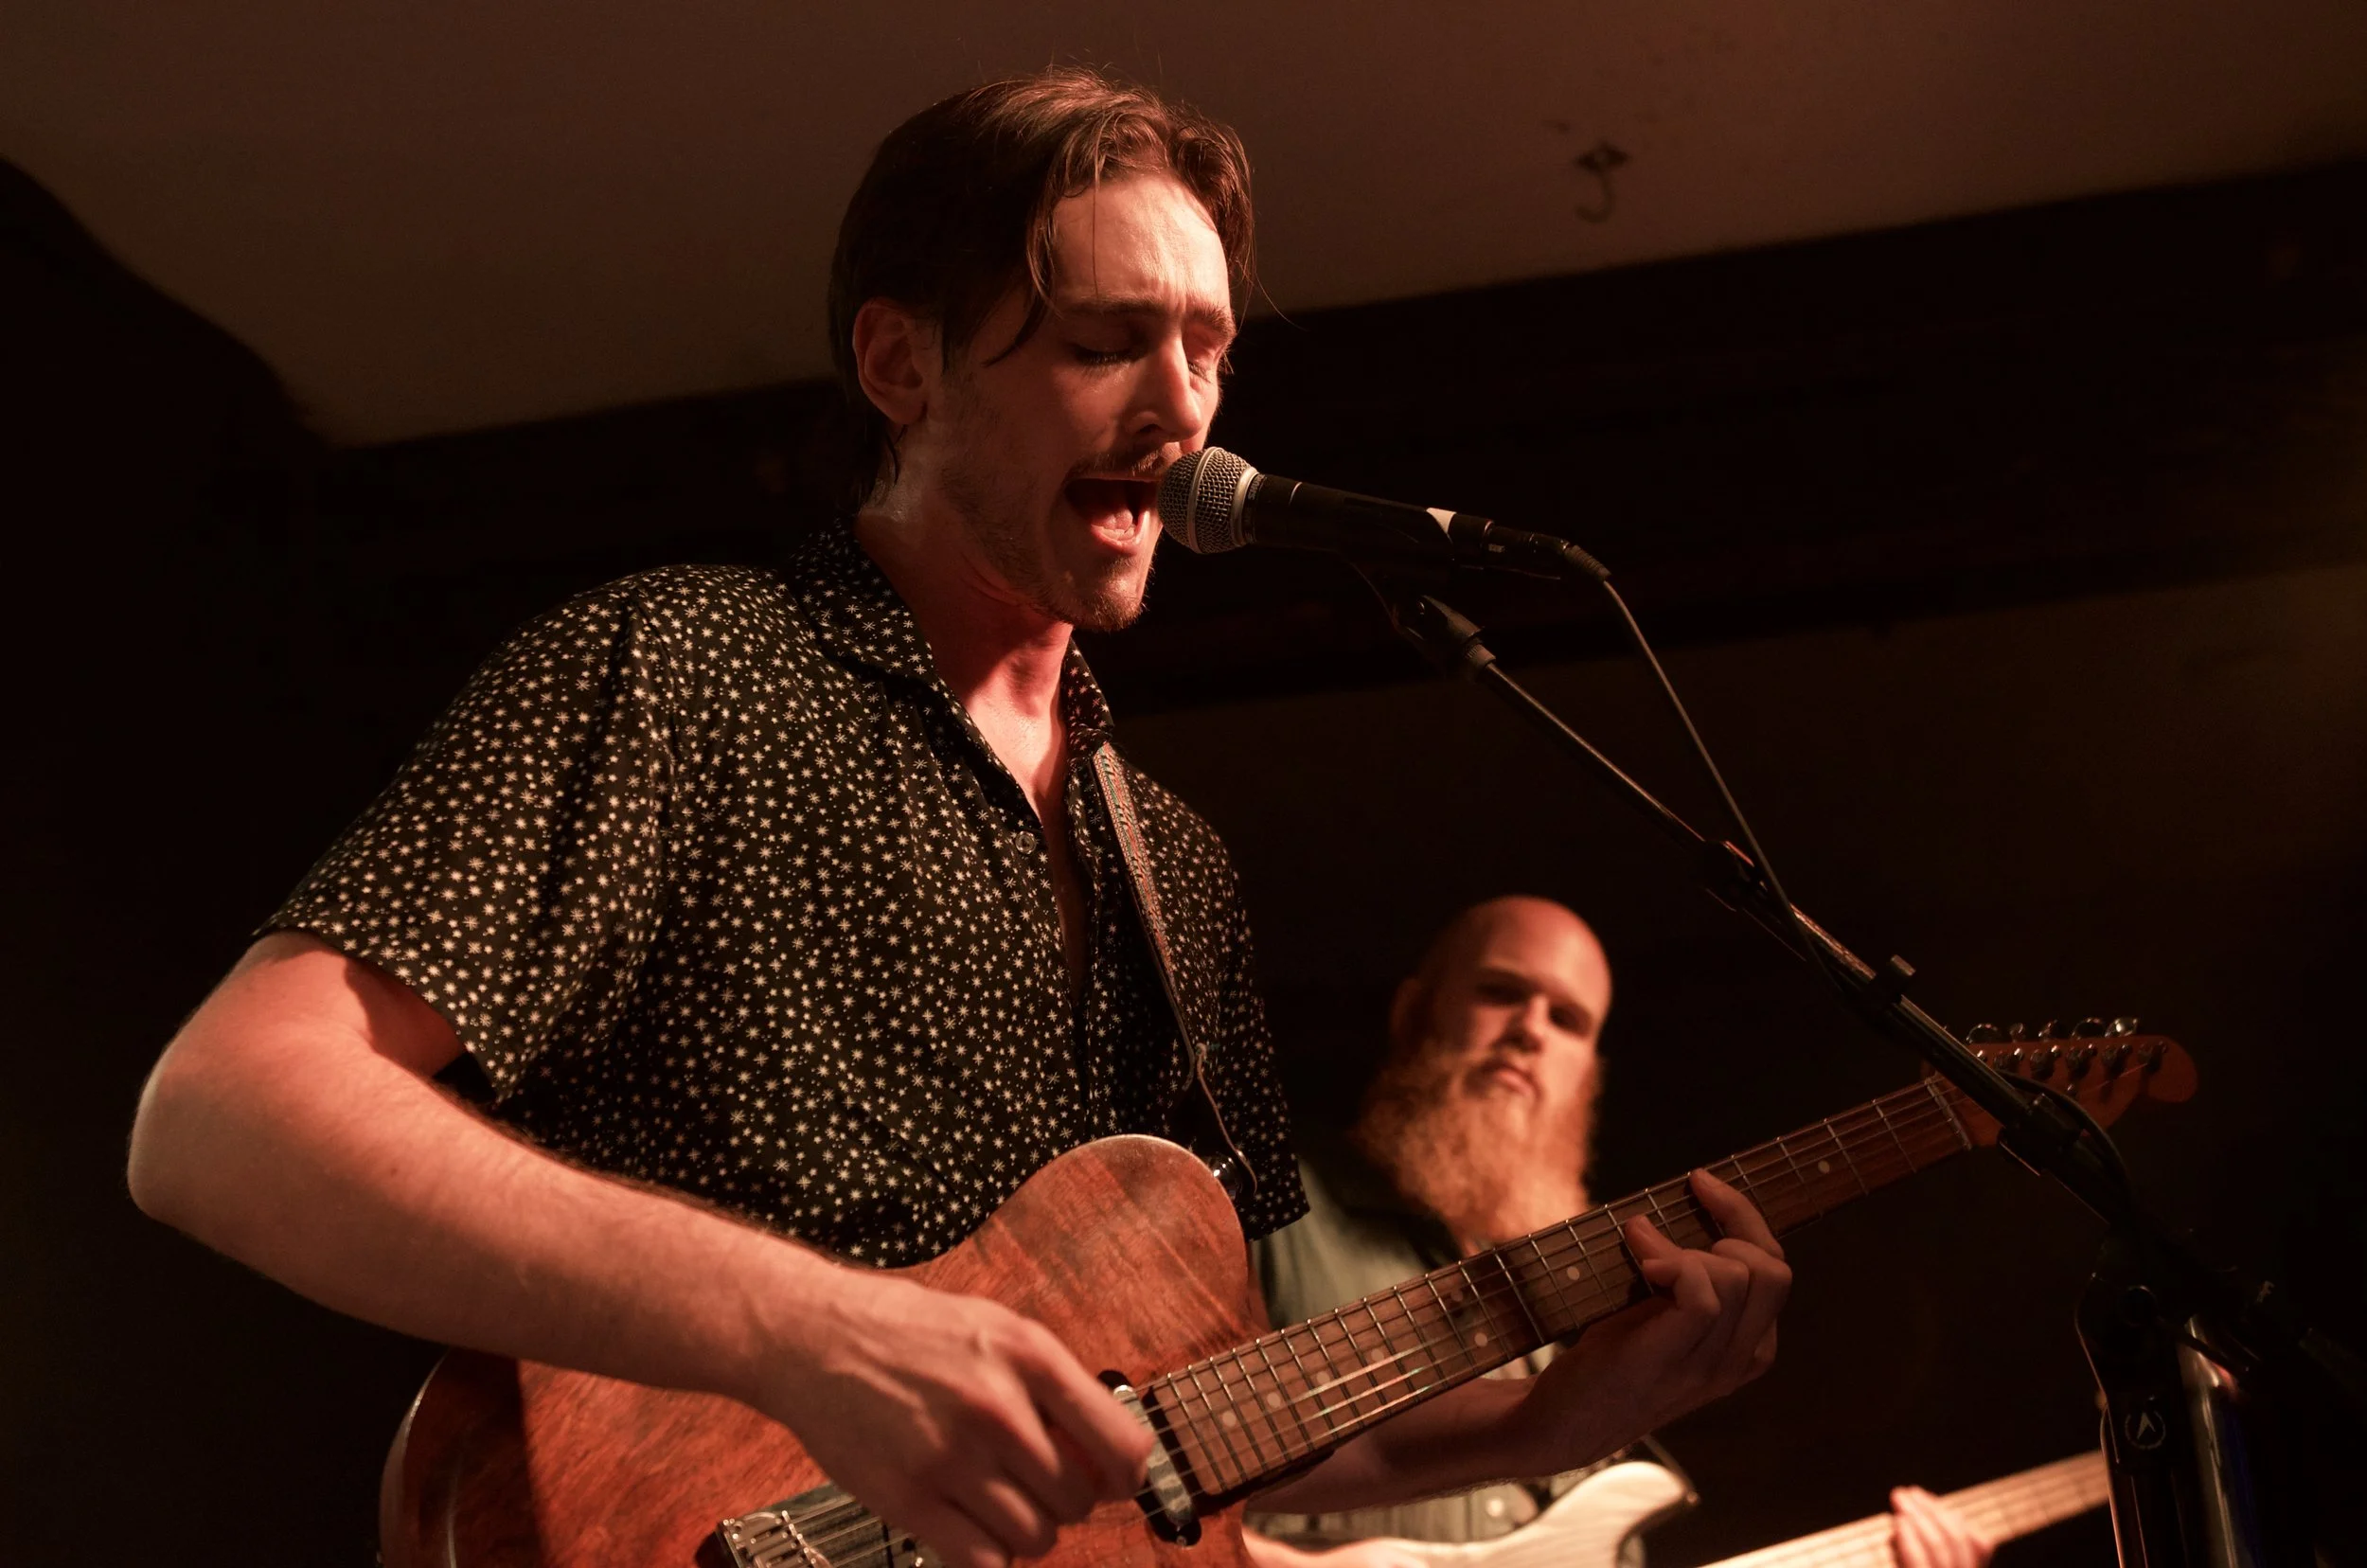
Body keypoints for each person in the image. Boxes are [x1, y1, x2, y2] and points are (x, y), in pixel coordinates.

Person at [125, 69, 1791, 1568]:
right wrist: (807, 1330)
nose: (1183, 402)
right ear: (897, 361)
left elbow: (1184, 1428)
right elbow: (223, 1114)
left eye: (1208, 347)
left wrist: (1544, 1424)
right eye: (1103, 341)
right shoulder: (685, 667)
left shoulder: (1180, 865)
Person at [1240, 897, 1995, 1568]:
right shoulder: (1265, 1204)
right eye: (1501, 992)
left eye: (1567, 1019)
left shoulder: (1582, 1320)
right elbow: (1136, 1466)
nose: (1530, 1030)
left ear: (1588, 1076)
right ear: (1413, 1013)